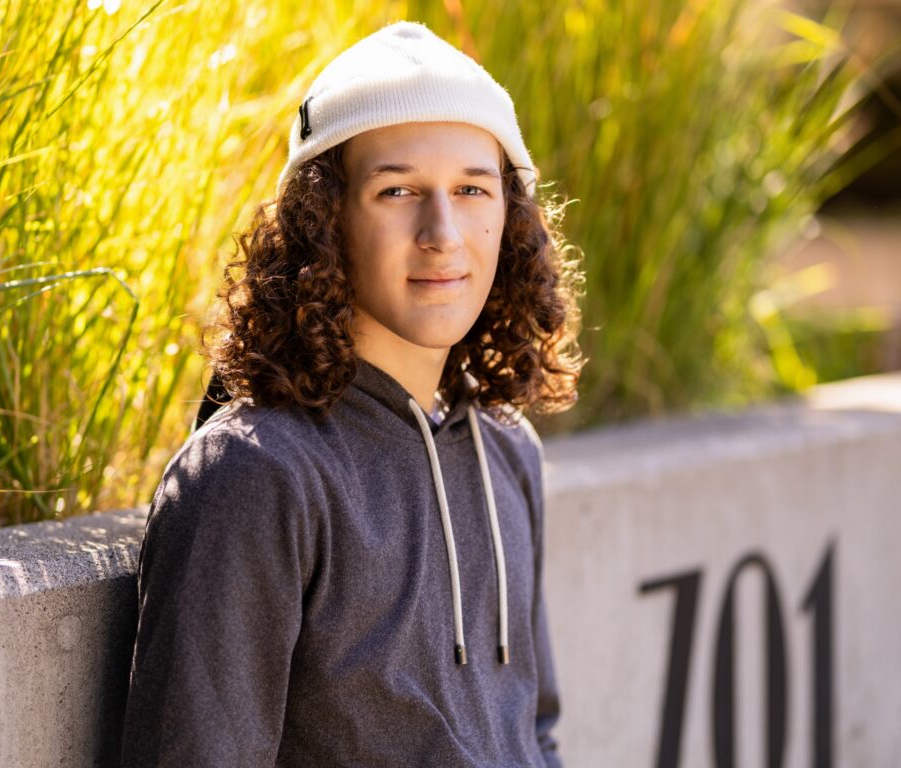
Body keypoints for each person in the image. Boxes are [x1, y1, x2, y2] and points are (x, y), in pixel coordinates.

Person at [120, 19, 582, 767]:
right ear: (324, 218)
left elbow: (534, 732)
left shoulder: (506, 450)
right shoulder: (257, 475)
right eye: (397, 189)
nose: (443, 232)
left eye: (472, 189)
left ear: (511, 216)